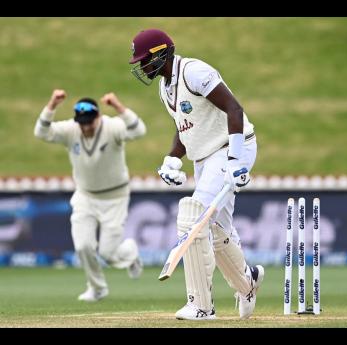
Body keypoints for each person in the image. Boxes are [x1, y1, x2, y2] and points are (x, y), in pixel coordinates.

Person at [128, 28, 264, 320]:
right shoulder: (164, 88)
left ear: (161, 53)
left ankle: (201, 305)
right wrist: (171, 159)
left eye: (143, 60)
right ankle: (247, 283)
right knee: (216, 231)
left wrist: (235, 160)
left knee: (194, 215)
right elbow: (185, 127)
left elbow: (234, 109)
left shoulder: (194, 71)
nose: (141, 67)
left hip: (231, 147)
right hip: (203, 158)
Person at [34, 90, 146, 302]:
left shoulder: (112, 126)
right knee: (83, 246)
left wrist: (118, 106)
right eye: (82, 123)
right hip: (85, 196)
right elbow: (41, 132)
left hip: (115, 197)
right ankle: (97, 288)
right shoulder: (71, 129)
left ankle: (130, 253)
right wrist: (52, 105)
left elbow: (138, 130)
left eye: (89, 122)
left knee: (107, 253)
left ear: (98, 117)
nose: (85, 127)